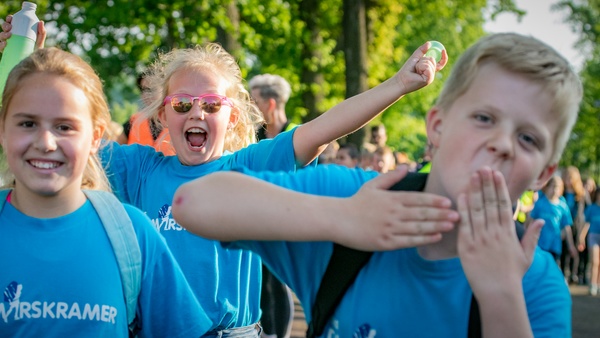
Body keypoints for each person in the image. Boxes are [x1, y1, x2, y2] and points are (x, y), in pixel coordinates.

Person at [1, 22, 453, 335]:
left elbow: (323, 128)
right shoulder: (138, 169)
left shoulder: (247, 168)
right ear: (163, 115)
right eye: (183, 105)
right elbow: (57, 128)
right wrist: (25, 60)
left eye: (211, 105)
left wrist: (398, 84)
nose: (196, 112)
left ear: (231, 116)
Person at [171, 33, 582, 337]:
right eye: (484, 118)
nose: (501, 144)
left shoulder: (536, 284)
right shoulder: (360, 198)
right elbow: (193, 200)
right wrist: (343, 219)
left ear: (545, 172)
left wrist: (500, 296)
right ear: (436, 127)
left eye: (528, 139)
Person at [0, 47, 211, 337]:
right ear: (2, 130)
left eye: (65, 126)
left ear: (96, 137)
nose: (46, 142)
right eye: (27, 123)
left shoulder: (132, 234)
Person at [248, 73, 297, 338]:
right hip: (253, 217)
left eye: (253, 101)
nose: (248, 108)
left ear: (270, 104)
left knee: (277, 281)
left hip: (285, 221)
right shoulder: (249, 136)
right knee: (258, 281)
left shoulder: (297, 135)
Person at [117, 72, 176, 155]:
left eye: (151, 89)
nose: (146, 94)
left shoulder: (179, 120)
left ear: (165, 89)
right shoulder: (133, 122)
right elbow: (116, 153)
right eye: (143, 90)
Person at [531, 175, 578, 264]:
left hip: (555, 245)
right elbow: (530, 222)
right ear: (547, 187)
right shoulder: (540, 203)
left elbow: (567, 227)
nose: (554, 190)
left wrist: (571, 245)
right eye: (552, 186)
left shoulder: (563, 206)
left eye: (557, 187)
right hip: (540, 244)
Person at [561, 166, 588, 284]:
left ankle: (574, 274)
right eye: (567, 177)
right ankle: (564, 274)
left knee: (576, 250)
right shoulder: (561, 193)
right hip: (564, 226)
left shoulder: (581, 194)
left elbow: (588, 212)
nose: (569, 181)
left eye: (571, 178)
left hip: (577, 226)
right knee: (564, 250)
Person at [248, 73, 296, 141]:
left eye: (256, 102)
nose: (251, 107)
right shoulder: (252, 138)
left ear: (271, 104)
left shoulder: (296, 136)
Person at [579, 188, 600, 295]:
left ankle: (598, 284)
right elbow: (586, 224)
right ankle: (592, 284)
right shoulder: (591, 208)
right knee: (594, 261)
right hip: (593, 236)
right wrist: (581, 237)